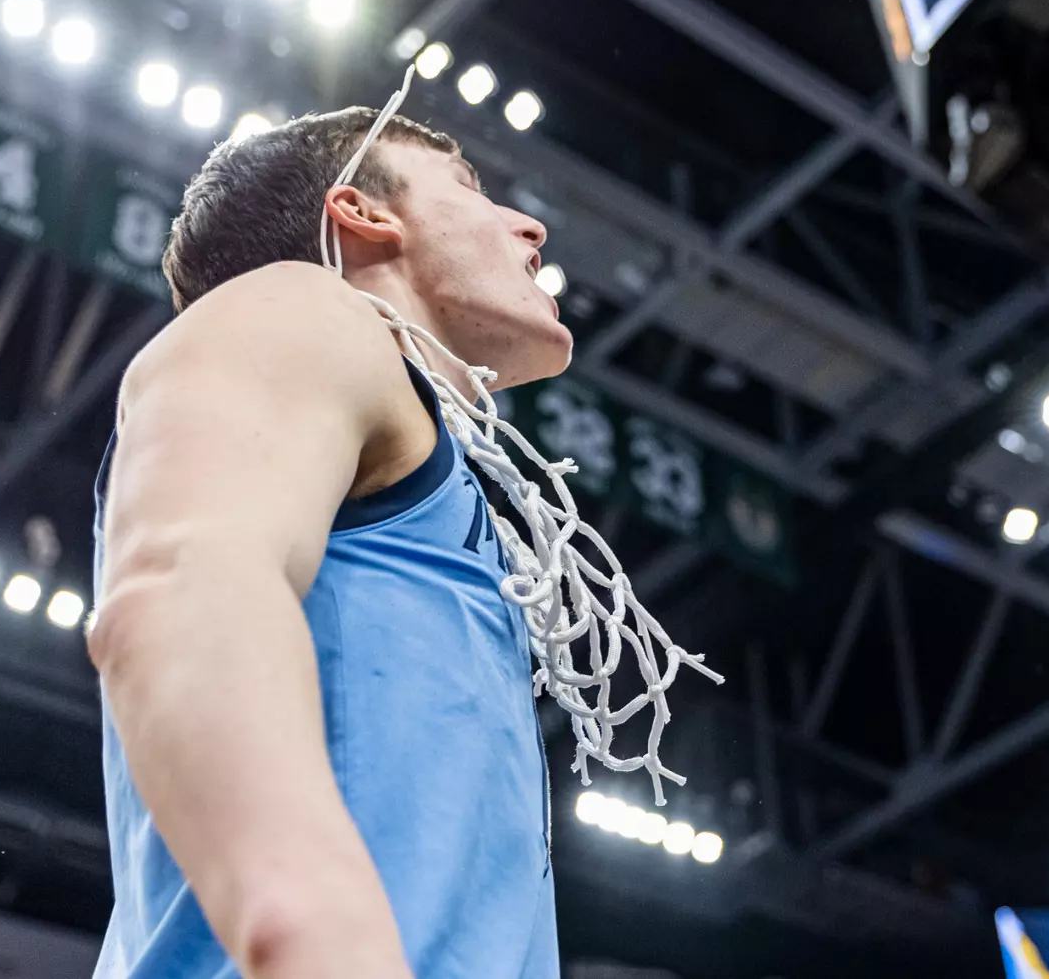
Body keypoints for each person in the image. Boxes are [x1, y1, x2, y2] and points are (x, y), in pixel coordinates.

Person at [87, 97, 714, 979]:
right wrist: (310, 929)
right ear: (363, 212)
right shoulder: (298, 305)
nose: (529, 226)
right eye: (468, 186)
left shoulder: (421, 457)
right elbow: (183, 583)